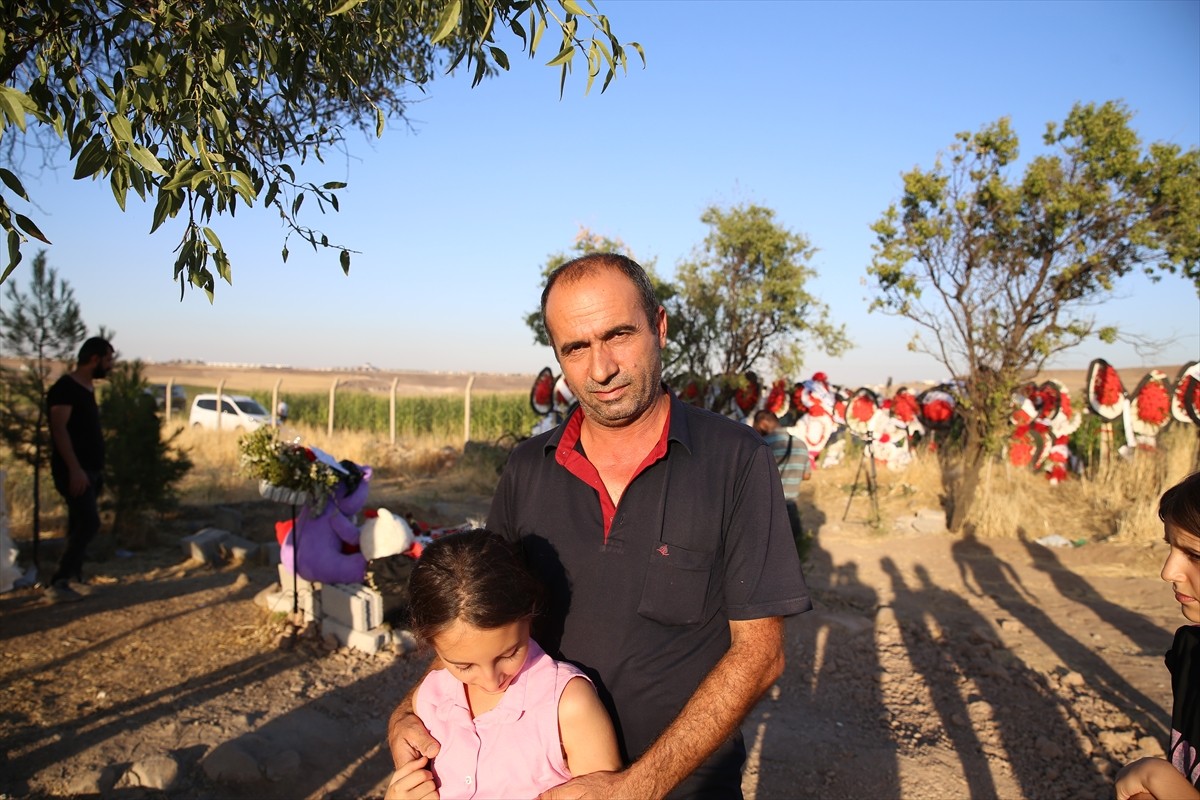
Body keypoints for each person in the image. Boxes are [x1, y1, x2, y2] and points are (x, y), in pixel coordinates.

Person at [388, 253, 812, 799]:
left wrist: (636, 786)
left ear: (659, 326)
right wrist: (408, 712)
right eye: (576, 348)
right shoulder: (527, 469)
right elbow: (477, 616)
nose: (601, 368)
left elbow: (760, 654)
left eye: (618, 335)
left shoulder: (735, 461)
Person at [384, 529, 620, 800]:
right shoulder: (429, 699)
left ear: (529, 614)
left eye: (508, 654)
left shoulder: (568, 705)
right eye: (464, 666)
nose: (491, 681)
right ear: (431, 644)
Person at [1115, 471, 1200, 800]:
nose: (1168, 572)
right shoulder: (1190, 650)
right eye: (1171, 548)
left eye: (1194, 555)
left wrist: (1156, 775)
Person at [44, 337, 114, 603]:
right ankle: (58, 581)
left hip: (90, 470)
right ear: (94, 359)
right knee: (88, 522)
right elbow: (59, 430)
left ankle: (73, 578)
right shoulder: (65, 389)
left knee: (78, 524)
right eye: (107, 360)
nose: (110, 366)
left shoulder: (86, 388)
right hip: (74, 471)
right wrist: (75, 469)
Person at [752, 409, 811, 542]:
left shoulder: (762, 445)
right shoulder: (801, 444)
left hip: (767, 510)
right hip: (791, 511)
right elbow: (807, 475)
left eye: (755, 426)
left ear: (762, 424)